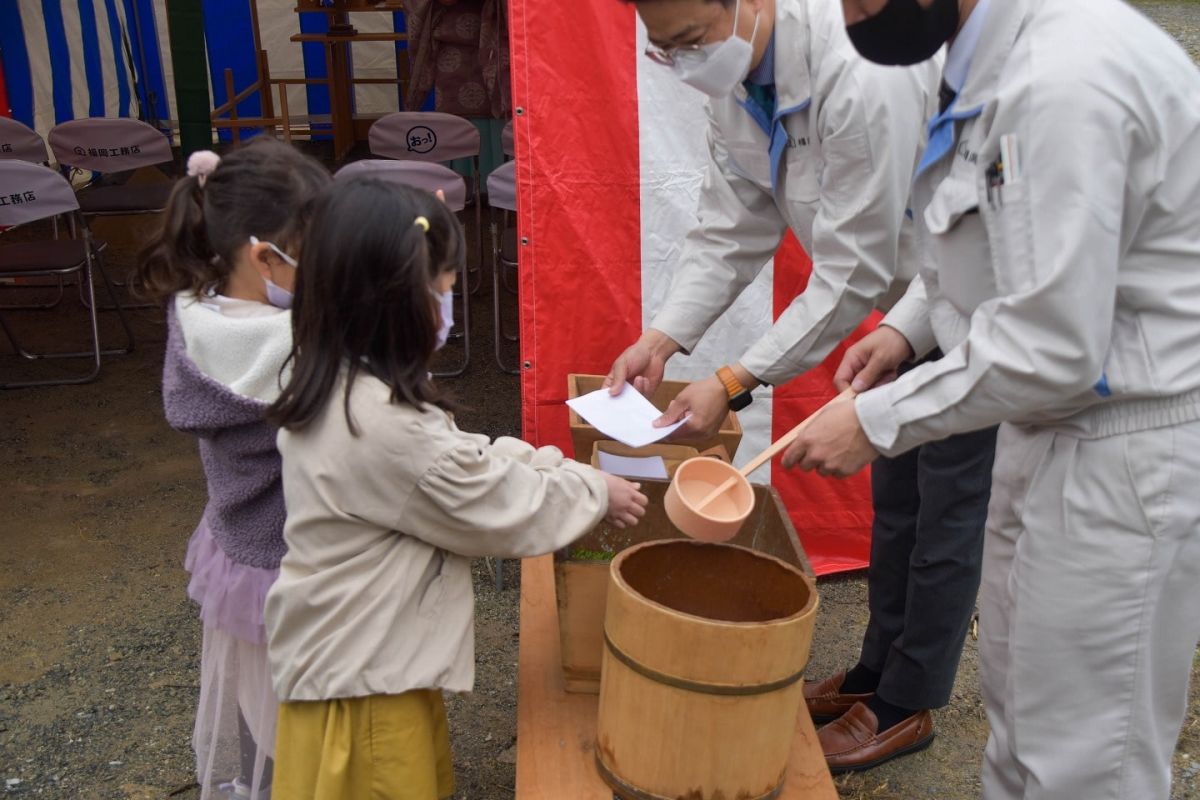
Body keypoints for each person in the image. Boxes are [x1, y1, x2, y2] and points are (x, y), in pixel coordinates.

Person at [788, 0, 1200, 796]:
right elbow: (1001, 242)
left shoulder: (1062, 76)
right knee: (1021, 731)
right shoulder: (991, 56)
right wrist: (910, 329)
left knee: (1082, 762)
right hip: (1048, 427)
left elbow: (1052, 342)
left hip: (1120, 449)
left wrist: (877, 424)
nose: (852, 14)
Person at [607, 0, 996, 772]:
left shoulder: (857, 72)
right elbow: (732, 223)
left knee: (946, 511)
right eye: (665, 49)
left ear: (748, 4)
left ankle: (907, 700)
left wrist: (735, 379)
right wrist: (665, 335)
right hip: (903, 307)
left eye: (690, 40)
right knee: (899, 503)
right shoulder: (739, 81)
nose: (684, 61)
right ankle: (874, 670)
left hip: (972, 294)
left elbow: (850, 269)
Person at [262, 179, 648, 799]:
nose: (449, 307)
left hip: (361, 663)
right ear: (392, 302)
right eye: (441, 291)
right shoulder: (379, 424)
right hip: (366, 692)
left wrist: (550, 461)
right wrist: (592, 490)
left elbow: (458, 456)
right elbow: (491, 505)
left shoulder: (345, 382)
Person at [137, 138, 332, 800]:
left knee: (263, 712)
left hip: (235, 548)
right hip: (290, 558)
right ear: (266, 256)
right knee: (308, 720)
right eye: (317, 251)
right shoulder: (291, 343)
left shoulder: (194, 312)